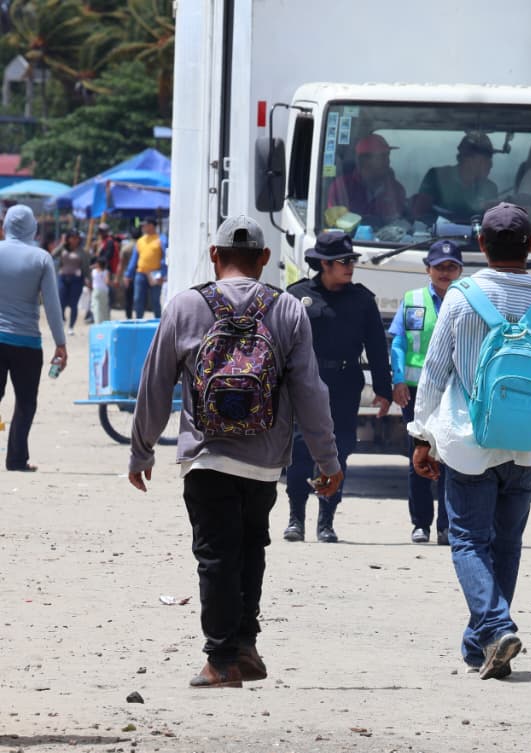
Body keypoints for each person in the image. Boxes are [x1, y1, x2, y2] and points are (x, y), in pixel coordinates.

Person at [128, 215, 343, 688]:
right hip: (264, 460)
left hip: (206, 455)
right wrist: (328, 459)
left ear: (213, 255)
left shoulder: (185, 306)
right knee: (250, 547)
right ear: (265, 259)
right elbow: (311, 390)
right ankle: (244, 643)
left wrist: (141, 450)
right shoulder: (287, 309)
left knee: (215, 555)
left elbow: (155, 385)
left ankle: (221, 659)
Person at [408, 202, 531, 679]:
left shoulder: (460, 298)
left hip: (468, 444)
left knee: (468, 540)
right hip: (529, 444)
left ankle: (494, 625)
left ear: (482, 245)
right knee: (507, 541)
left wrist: (422, 435)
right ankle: (482, 644)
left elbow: (433, 373)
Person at [283, 231, 392, 543]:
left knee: (339, 449)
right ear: (323, 264)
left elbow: (376, 349)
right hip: (306, 383)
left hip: (344, 384)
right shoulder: (298, 295)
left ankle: (326, 520)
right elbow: (281, 344)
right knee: (300, 449)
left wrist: (383, 390)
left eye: (352, 260)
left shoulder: (362, 301)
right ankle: (295, 517)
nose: (350, 266)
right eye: (342, 261)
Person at [389, 239, 463, 545]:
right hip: (417, 392)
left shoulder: (466, 300)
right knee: (418, 457)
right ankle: (421, 524)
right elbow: (398, 343)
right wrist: (397, 380)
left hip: (453, 390)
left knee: (449, 457)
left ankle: (447, 526)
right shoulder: (412, 299)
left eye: (451, 267)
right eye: (439, 267)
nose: (445, 272)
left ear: (459, 270)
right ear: (427, 269)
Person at [0, 205, 66, 472]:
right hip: (27, 343)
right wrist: (60, 343)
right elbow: (51, 304)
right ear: (33, 228)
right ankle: (16, 460)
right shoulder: (41, 258)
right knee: (25, 402)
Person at [412, 131, 498, 222]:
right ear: (467, 159)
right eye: (485, 159)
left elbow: (493, 224)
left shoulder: (490, 188)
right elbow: (419, 213)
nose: (490, 165)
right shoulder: (435, 177)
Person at [326, 133, 408, 227]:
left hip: (388, 240)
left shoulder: (397, 189)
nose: (388, 161)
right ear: (363, 160)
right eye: (382, 156)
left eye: (387, 155)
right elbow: (334, 223)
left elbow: (399, 224)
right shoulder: (341, 187)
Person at [124, 217, 167, 319]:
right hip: (141, 274)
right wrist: (128, 275)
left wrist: (163, 274)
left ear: (151, 226)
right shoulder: (140, 241)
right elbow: (134, 260)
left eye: (145, 225)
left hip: (155, 273)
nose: (142, 227)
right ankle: (138, 321)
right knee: (138, 299)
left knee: (155, 300)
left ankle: (158, 323)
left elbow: (165, 258)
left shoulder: (161, 239)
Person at [52, 230, 91, 332]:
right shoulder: (63, 248)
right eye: (72, 237)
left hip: (76, 279)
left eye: (76, 238)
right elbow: (53, 254)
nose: (74, 240)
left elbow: (86, 268)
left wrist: (88, 280)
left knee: (74, 304)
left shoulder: (82, 252)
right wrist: (62, 244)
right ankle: (62, 319)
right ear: (68, 238)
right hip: (63, 277)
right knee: (61, 301)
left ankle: (71, 326)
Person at [89, 258, 111, 326]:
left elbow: (89, 269)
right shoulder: (106, 272)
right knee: (104, 308)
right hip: (104, 291)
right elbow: (107, 282)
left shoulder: (93, 271)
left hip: (96, 290)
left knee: (96, 308)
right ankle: (106, 323)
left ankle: (98, 323)